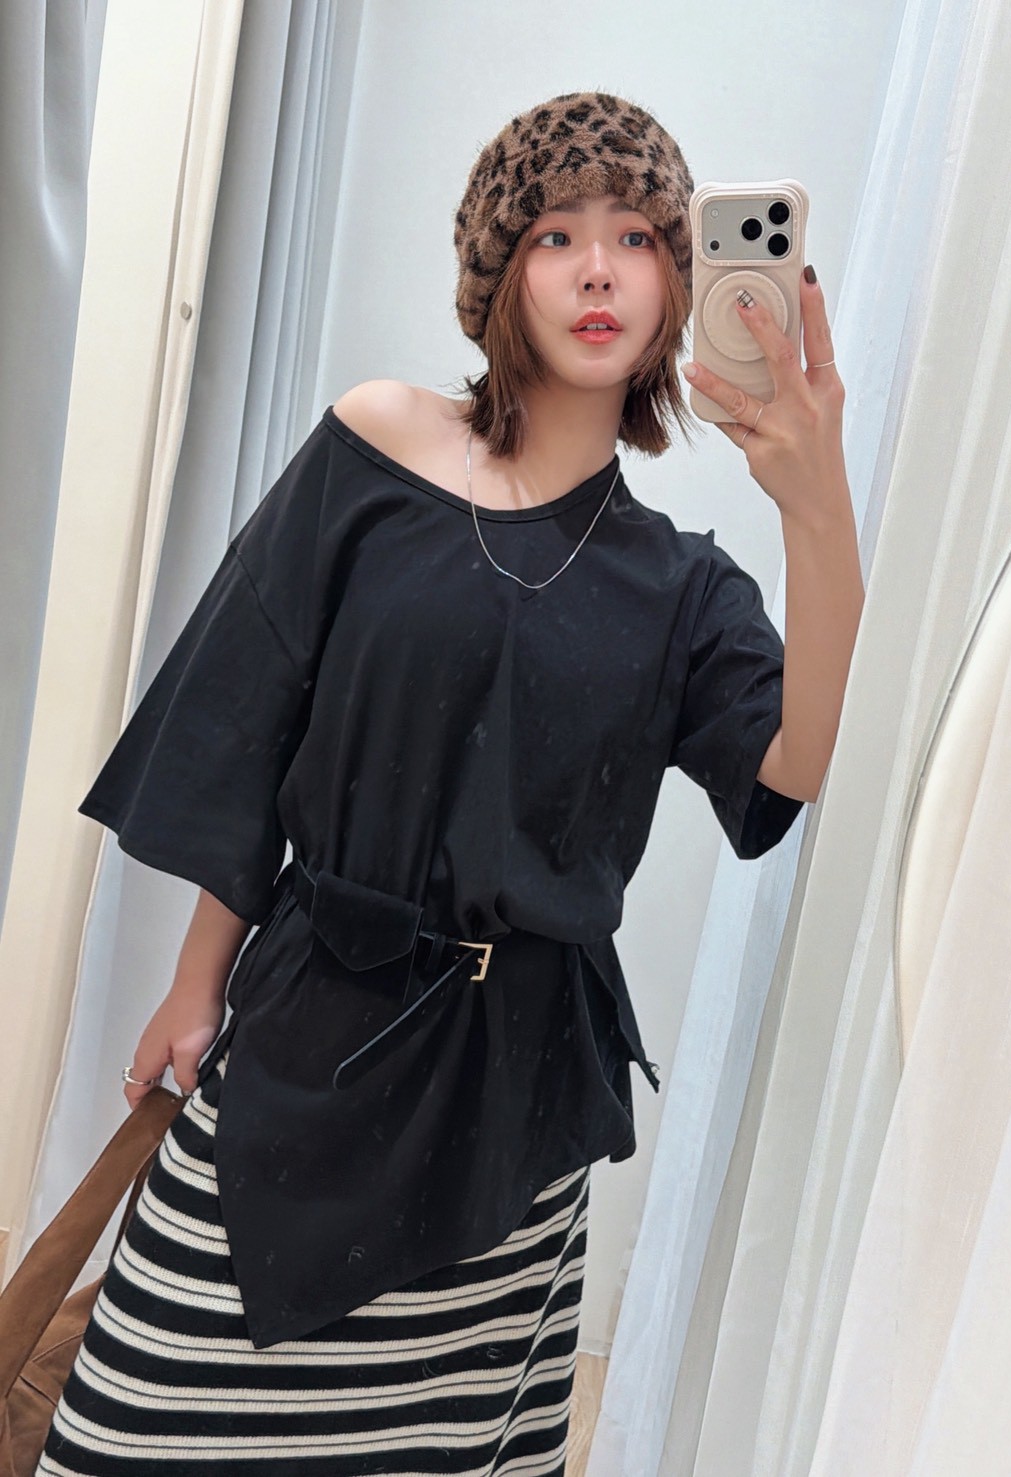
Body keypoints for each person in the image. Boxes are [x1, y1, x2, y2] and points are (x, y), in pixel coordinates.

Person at [36, 91, 862, 1476]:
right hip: (306, 1028)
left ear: (678, 282)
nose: (597, 271)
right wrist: (193, 981)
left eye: (637, 238)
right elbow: (255, 720)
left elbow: (796, 761)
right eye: (555, 234)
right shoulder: (377, 438)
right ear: (500, 268)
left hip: (512, 1101)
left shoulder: (681, 586)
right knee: (137, 1420)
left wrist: (818, 508)